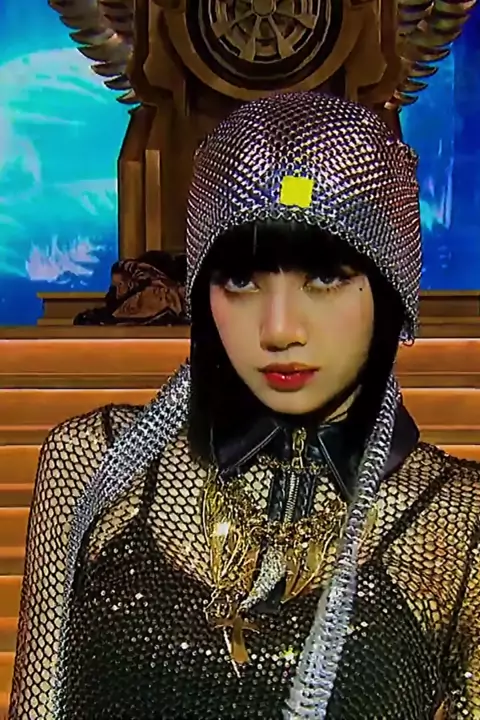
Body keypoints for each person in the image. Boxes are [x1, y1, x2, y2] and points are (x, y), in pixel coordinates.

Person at [9, 92, 480, 720]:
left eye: (325, 277)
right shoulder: (95, 461)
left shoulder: (458, 520)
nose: (279, 329)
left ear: (389, 288)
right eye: (240, 280)